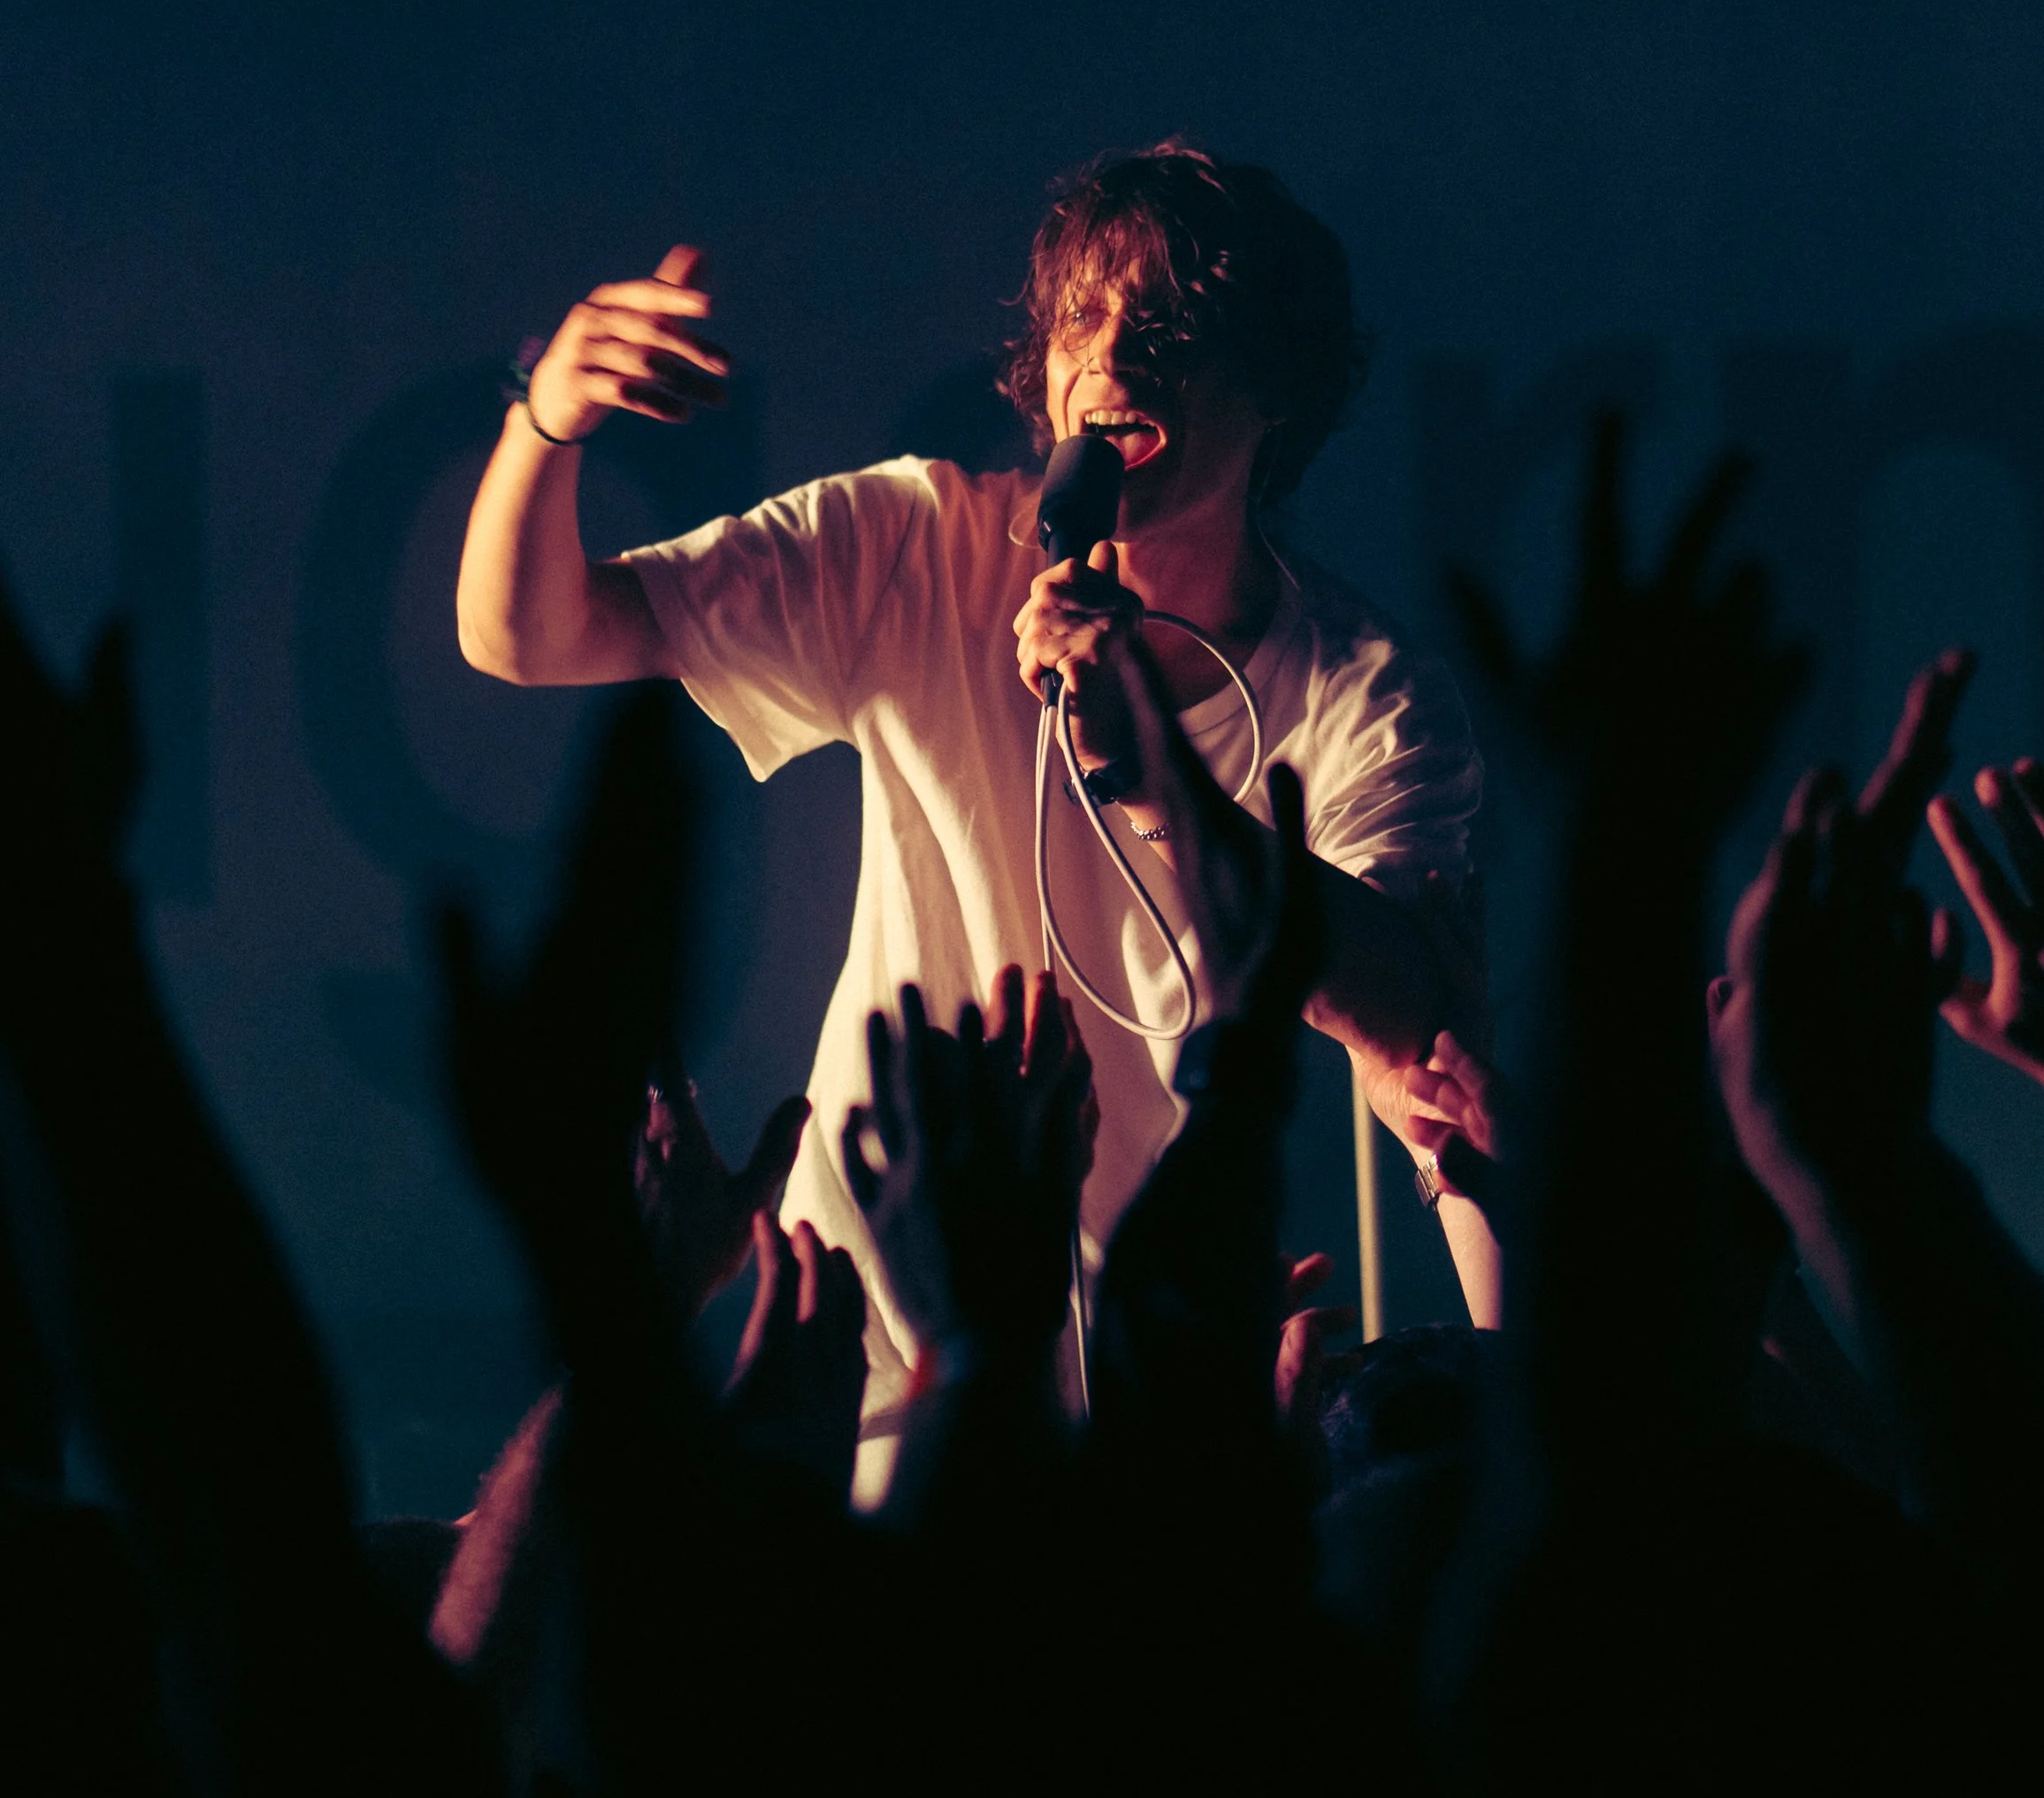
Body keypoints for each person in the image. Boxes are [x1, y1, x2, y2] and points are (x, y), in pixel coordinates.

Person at [456, 142, 1493, 1450]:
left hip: (1144, 1405)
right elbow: (529, 635)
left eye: (1168, 322)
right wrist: (544, 420)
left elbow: (1409, 1010)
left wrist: (1143, 765)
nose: (1110, 353)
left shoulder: (1367, 693)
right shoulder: (911, 544)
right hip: (868, 1366)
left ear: (1277, 381)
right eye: (1082, 316)